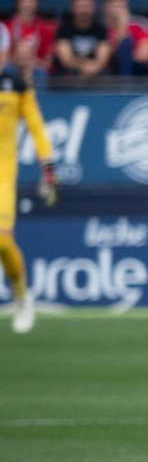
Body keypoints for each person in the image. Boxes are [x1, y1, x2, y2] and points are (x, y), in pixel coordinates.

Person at [0, 53, 57, 334]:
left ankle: (21, 296)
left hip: (2, 178)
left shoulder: (16, 85)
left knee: (2, 240)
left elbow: (35, 125)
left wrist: (47, 165)